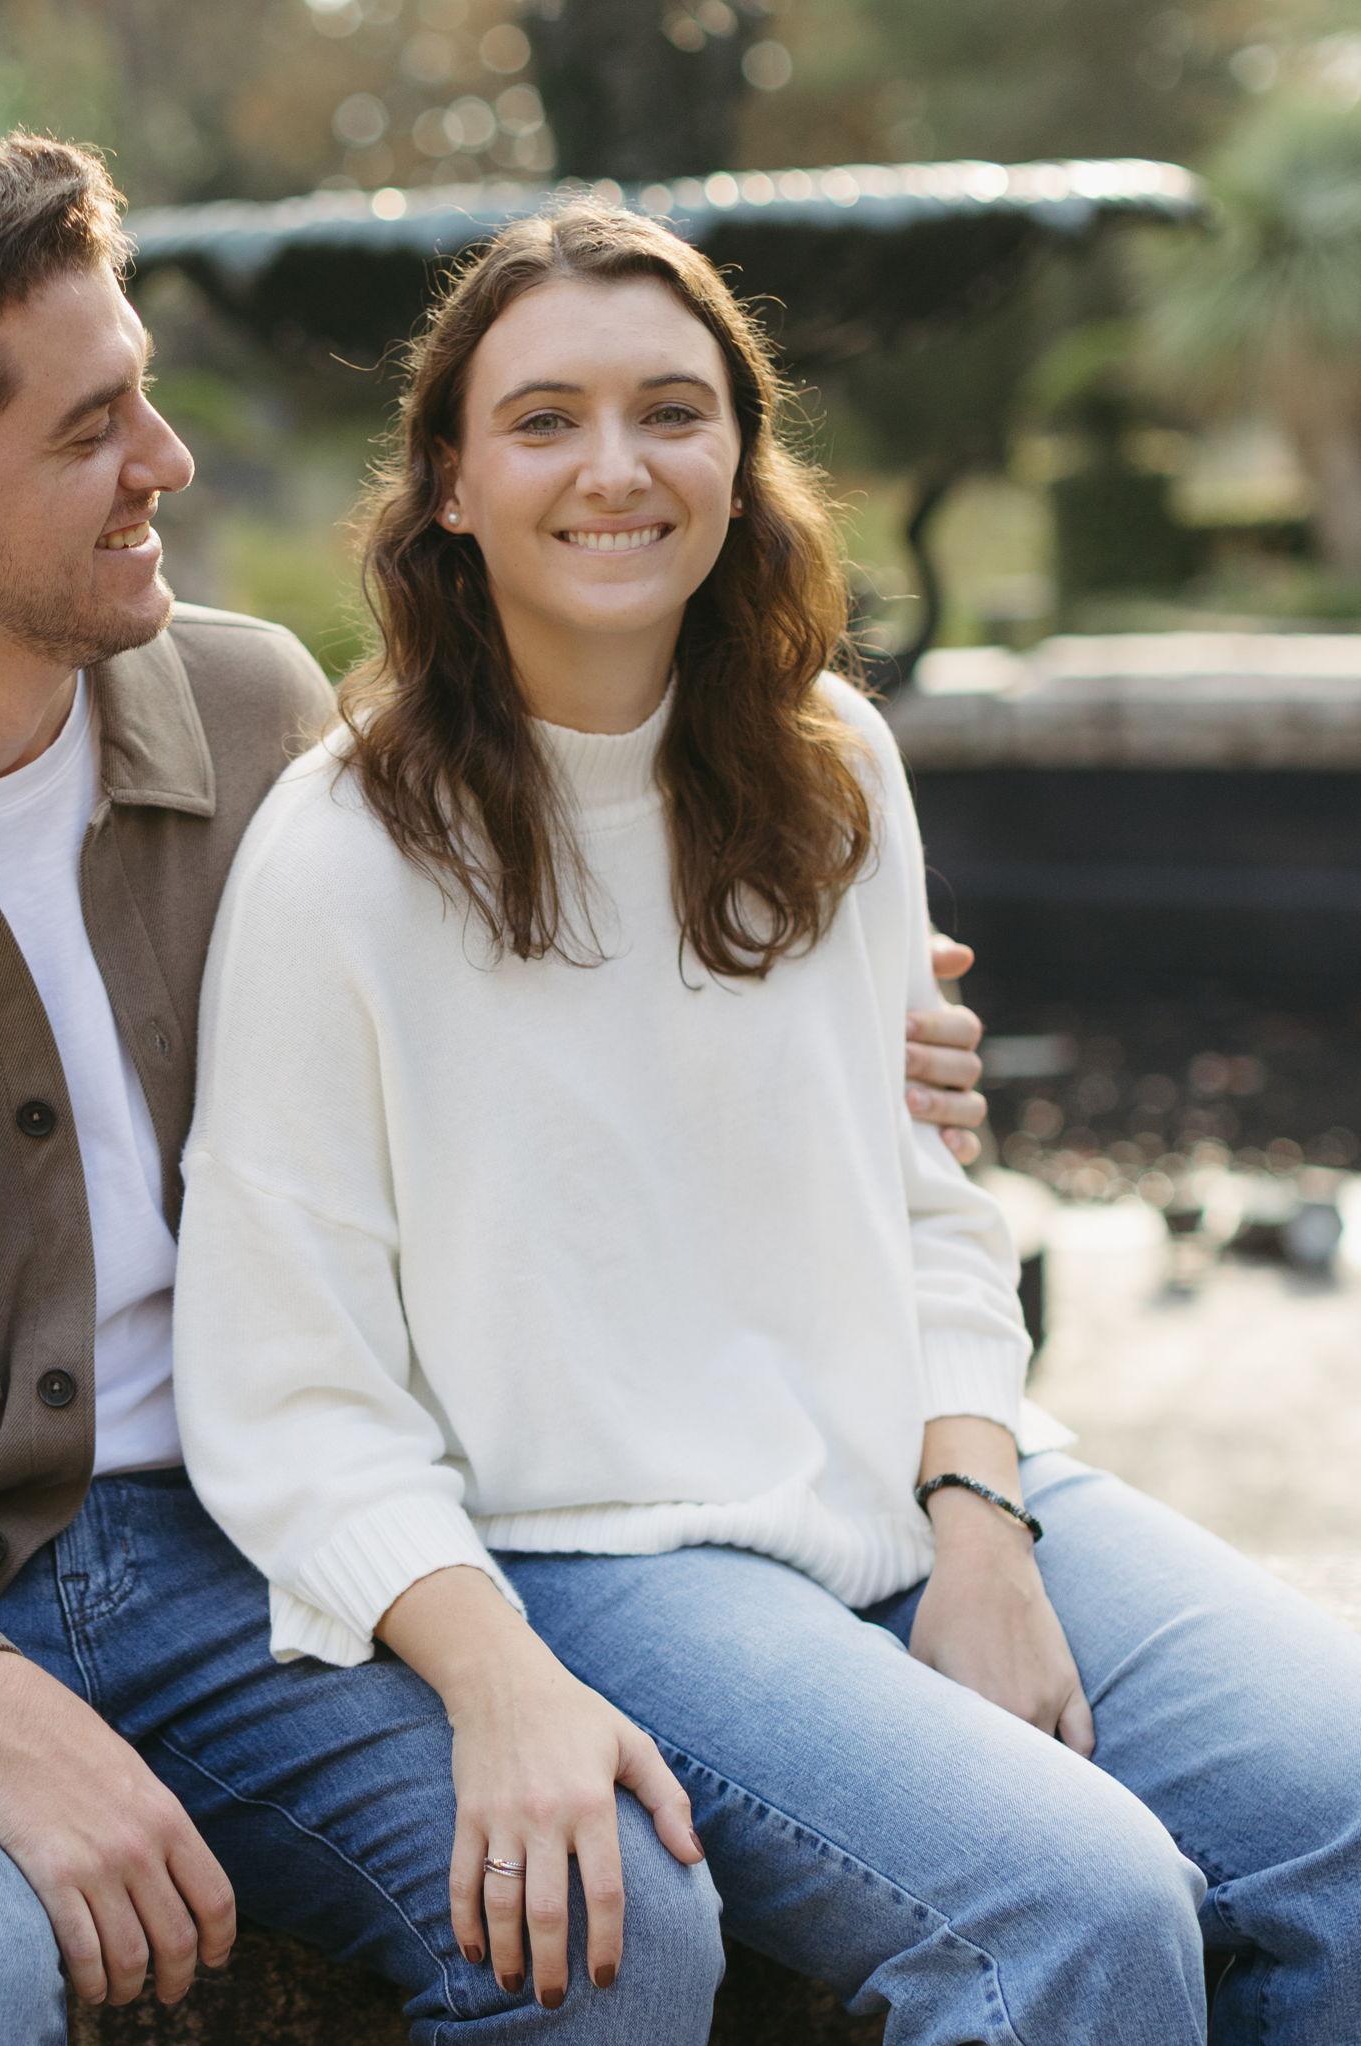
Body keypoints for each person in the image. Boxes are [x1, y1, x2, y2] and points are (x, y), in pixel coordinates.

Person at [0, 137, 991, 2045]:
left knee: (610, 1922)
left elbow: (522, 984)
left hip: (240, 1562)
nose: (166, 461)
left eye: (148, 394)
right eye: (93, 427)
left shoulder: (265, 720)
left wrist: (855, 1046)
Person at [172, 200, 1361, 2044]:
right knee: (1078, 1906)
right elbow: (285, 1381)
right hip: (606, 1550)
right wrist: (490, 1678)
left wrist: (982, 1518)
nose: (616, 467)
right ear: (452, 484)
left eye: (672, 409)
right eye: (545, 419)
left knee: (1347, 1807)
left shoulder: (829, 763)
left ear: (741, 453)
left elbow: (934, 1211)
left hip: (922, 1476)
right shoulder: (345, 857)